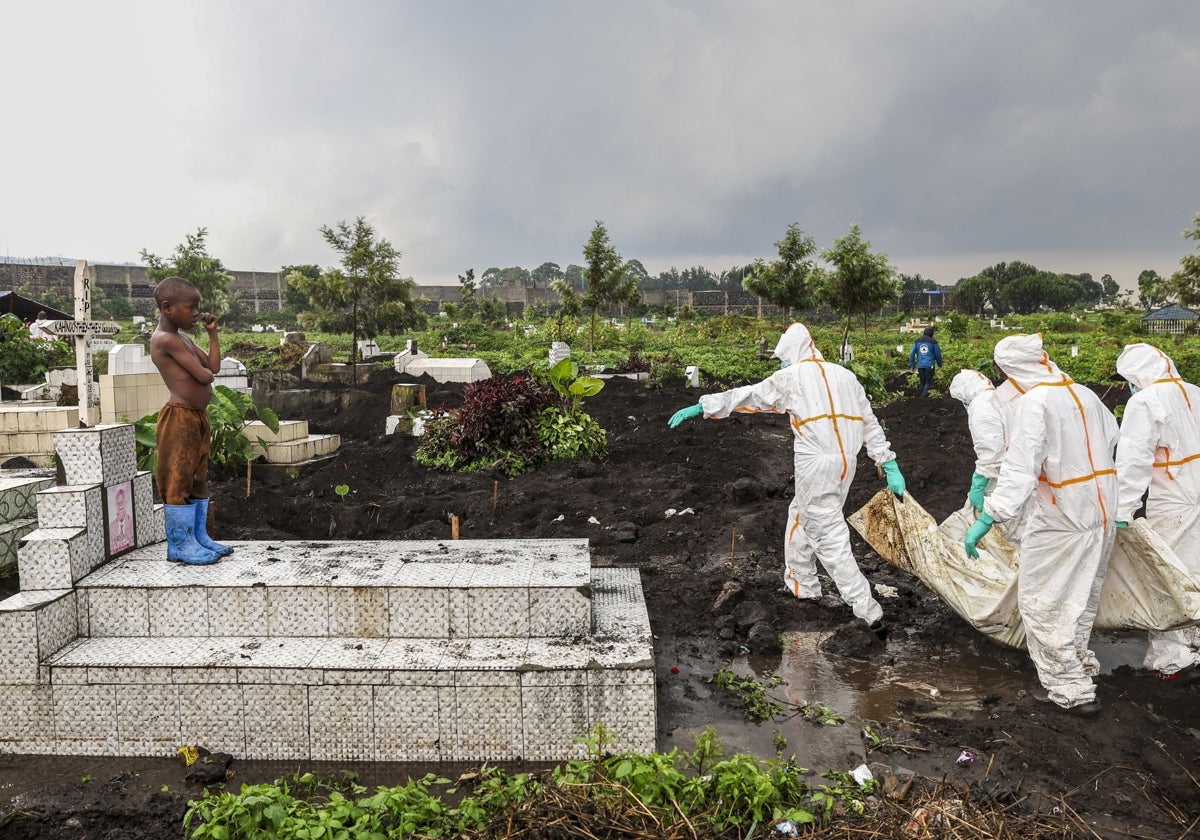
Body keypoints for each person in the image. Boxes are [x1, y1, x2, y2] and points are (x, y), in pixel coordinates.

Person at [668, 323, 906, 636]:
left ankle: (868, 610)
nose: (782, 364)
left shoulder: (793, 376)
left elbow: (751, 396)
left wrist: (703, 405)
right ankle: (801, 585)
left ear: (791, 353)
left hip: (817, 463)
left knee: (827, 535)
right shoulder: (846, 376)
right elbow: (870, 423)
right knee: (800, 515)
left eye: (783, 358)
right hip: (847, 462)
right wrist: (888, 463)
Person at [964, 334, 1118, 716]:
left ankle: (1070, 691)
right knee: (1080, 599)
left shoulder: (1036, 401)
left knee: (1042, 602)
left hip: (1062, 516)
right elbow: (1112, 437)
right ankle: (1079, 669)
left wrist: (988, 516)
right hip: (1100, 510)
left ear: (1010, 368)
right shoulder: (1083, 393)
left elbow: (1020, 470)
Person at [1113, 343, 1200, 685]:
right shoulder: (1193, 391)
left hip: (1174, 498)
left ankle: (1172, 661)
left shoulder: (1145, 401)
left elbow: (1134, 459)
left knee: (1167, 577)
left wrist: (1123, 509)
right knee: (1196, 571)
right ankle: (1195, 645)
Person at [149, 276, 234, 565]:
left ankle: (198, 538)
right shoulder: (165, 340)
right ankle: (180, 545)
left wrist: (212, 334)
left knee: (198, 478)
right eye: (191, 308)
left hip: (197, 417)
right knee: (177, 479)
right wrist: (203, 369)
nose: (197, 313)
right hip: (179, 417)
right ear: (168, 308)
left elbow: (213, 365)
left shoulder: (183, 338)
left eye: (198, 308)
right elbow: (204, 375)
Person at [908, 326, 942, 398]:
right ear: (932, 333)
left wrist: (912, 365)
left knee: (922, 382)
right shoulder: (933, 341)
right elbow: (938, 354)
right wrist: (940, 364)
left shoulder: (917, 341)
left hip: (920, 366)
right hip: (930, 365)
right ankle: (923, 398)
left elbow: (911, 354)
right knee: (928, 382)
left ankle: (921, 398)